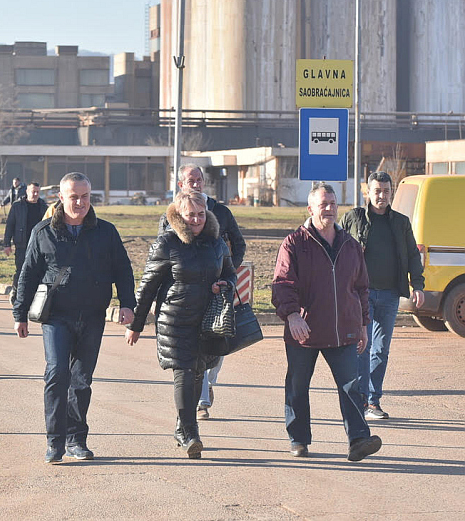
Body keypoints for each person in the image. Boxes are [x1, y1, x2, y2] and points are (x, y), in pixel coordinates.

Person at [13, 172, 135, 463]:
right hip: (57, 316)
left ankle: (76, 440)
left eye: (84, 197)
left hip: (92, 316)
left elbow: (123, 270)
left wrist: (128, 305)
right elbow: (27, 274)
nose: (79, 202)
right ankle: (54, 441)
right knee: (57, 374)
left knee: (81, 380)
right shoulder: (43, 232)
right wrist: (20, 314)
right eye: (73, 197)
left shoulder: (106, 232)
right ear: (61, 198)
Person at [272, 183, 381, 462]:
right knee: (298, 386)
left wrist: (364, 326)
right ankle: (298, 439)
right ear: (311, 209)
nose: (329, 209)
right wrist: (293, 315)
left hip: (343, 329)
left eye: (333, 203)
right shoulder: (295, 243)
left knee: (351, 386)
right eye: (323, 204)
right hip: (304, 331)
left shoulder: (351, 245)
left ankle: (358, 440)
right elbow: (282, 284)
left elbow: (361, 288)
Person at [126, 191, 236, 458]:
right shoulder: (167, 243)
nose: (196, 220)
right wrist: (136, 324)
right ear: (179, 215)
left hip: (208, 320)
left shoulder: (216, 243)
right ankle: (190, 432)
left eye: (200, 214)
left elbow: (231, 273)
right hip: (175, 320)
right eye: (190, 215)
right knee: (185, 372)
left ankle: (181, 427)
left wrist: (226, 285)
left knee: (199, 372)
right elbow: (147, 286)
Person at [158, 164, 246, 420]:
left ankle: (207, 384)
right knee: (189, 354)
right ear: (180, 184)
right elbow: (161, 255)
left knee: (216, 346)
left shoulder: (221, 211)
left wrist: (226, 268)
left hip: (215, 293)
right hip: (184, 298)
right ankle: (199, 402)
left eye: (199, 179)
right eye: (190, 180)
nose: (195, 183)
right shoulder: (170, 215)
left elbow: (238, 244)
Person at [341, 171, 425, 420]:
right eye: (377, 191)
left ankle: (373, 401)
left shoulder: (400, 222)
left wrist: (417, 286)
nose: (382, 196)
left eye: (386, 191)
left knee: (381, 350)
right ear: (368, 192)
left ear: (391, 193)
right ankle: (361, 400)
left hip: (389, 295)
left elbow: (412, 255)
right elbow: (336, 249)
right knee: (362, 348)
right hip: (360, 295)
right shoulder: (354, 218)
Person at [3, 181, 47, 305]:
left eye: (37, 192)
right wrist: (7, 243)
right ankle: (16, 293)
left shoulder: (43, 206)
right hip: (22, 244)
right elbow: (10, 225)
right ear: (27, 192)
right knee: (21, 271)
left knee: (39, 271)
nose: (35, 194)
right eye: (33, 191)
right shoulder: (18, 206)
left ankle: (34, 298)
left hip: (39, 246)